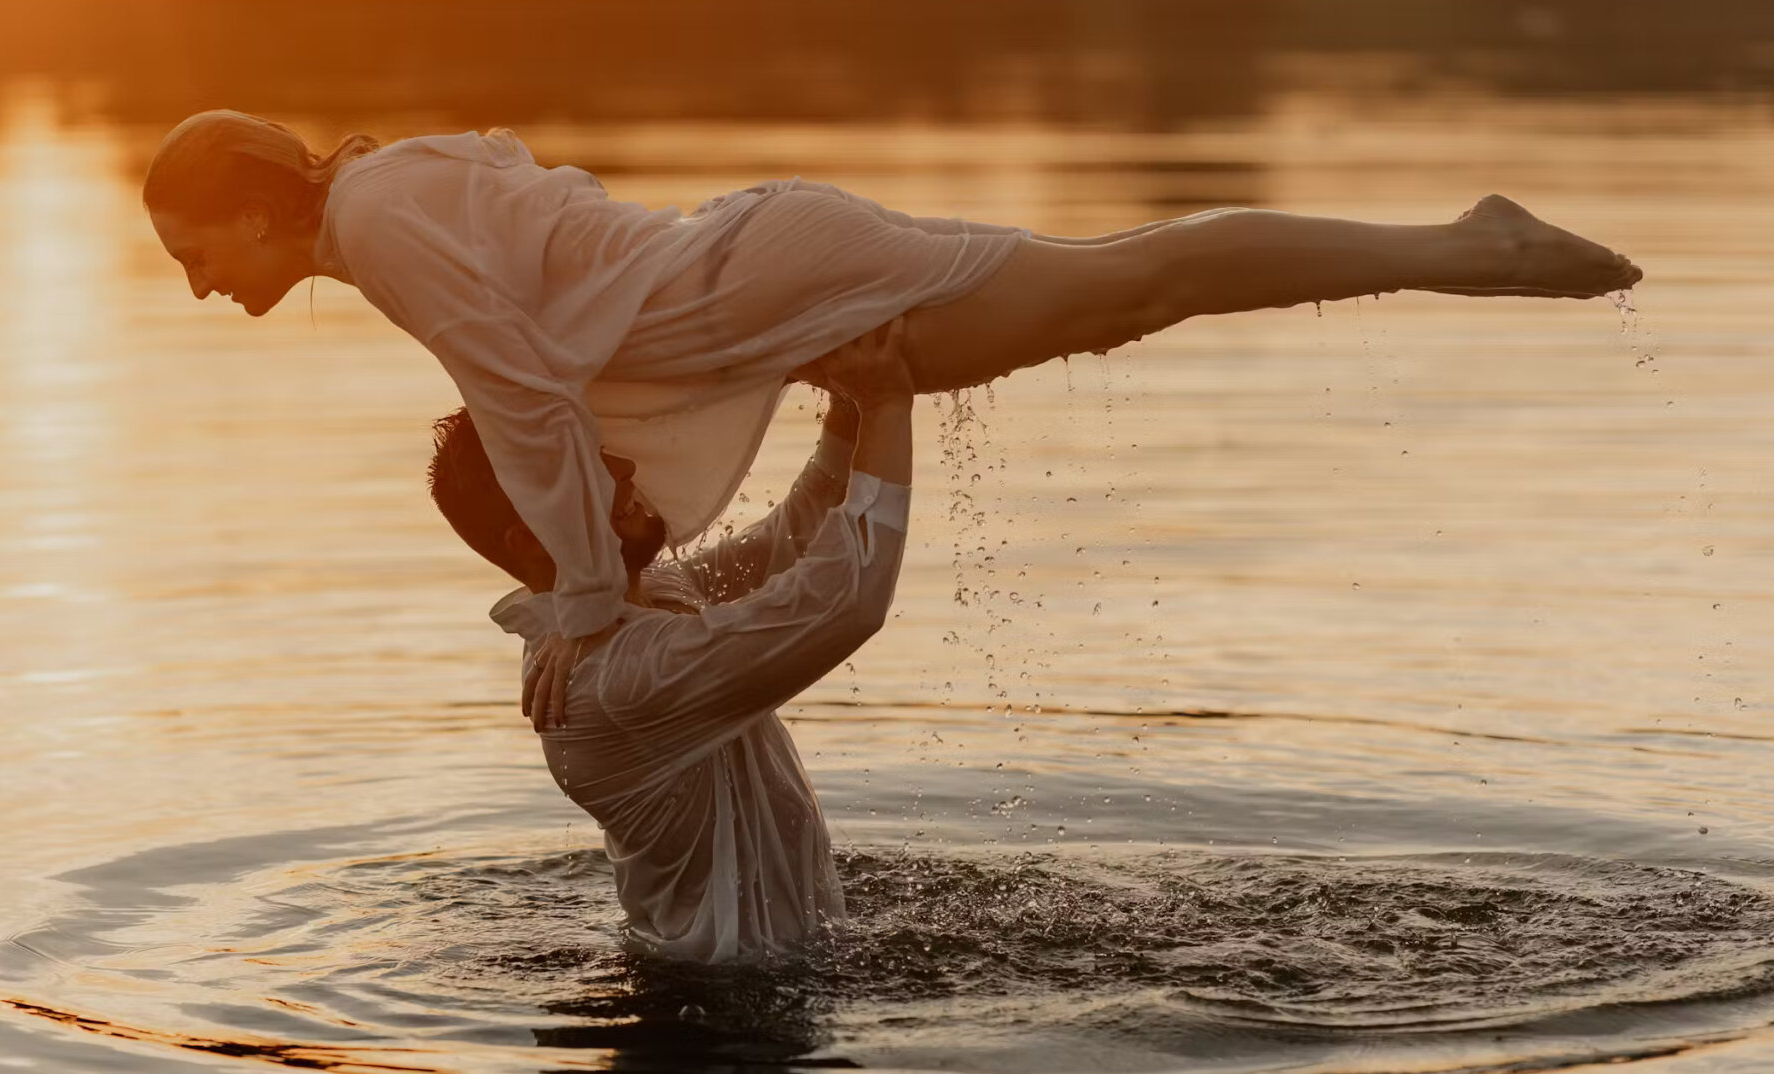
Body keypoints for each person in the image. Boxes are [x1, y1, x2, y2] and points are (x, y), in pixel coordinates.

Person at [142, 111, 1643, 726]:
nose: (201, 290)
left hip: (770, 278)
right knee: (1132, 289)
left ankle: (1465, 247)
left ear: (251, 207)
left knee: (1137, 285)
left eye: (195, 253)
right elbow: (552, 317)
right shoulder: (392, 190)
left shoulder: (384, 222)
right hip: (759, 273)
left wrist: (589, 601)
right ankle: (1461, 250)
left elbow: (524, 397)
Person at [424, 320, 920, 962]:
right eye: (589, 465)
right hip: (710, 1025)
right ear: (531, 533)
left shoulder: (641, 599)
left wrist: (851, 398)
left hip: (763, 994)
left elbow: (794, 535)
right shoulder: (615, 677)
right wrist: (888, 404)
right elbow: (846, 601)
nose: (625, 466)